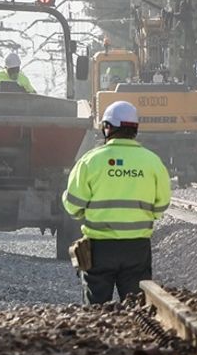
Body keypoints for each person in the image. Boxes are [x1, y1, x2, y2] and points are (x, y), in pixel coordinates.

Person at [62, 99, 171, 304]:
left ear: (107, 128)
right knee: (138, 309)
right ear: (135, 129)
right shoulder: (152, 161)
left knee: (96, 308)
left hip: (99, 248)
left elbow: (73, 205)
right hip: (137, 248)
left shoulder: (90, 160)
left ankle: (98, 335)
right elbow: (161, 206)